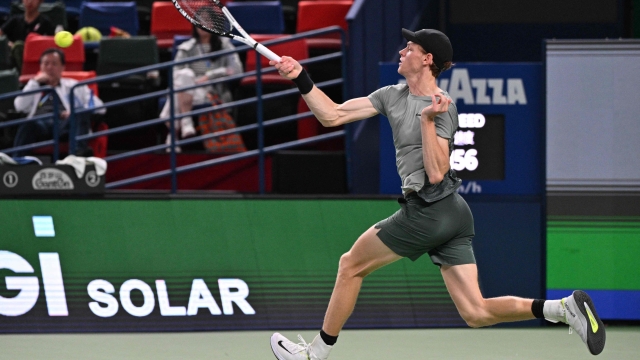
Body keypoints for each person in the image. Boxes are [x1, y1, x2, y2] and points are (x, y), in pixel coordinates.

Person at [268, 28, 606, 359]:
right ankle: (562, 309)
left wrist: (428, 121)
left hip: (429, 210)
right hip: (452, 213)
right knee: (476, 312)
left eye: (409, 48)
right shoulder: (391, 95)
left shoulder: (443, 107)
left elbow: (436, 172)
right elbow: (332, 114)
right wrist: (301, 77)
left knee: (350, 265)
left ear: (427, 59)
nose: (402, 52)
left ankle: (315, 354)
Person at [160, 25, 243, 151]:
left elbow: (237, 70)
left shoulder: (225, 45)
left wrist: (210, 76)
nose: (203, 25)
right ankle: (186, 121)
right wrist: (191, 81)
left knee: (178, 93)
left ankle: (173, 136)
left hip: (212, 91)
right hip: (189, 88)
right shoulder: (187, 47)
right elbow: (175, 74)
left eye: (207, 21)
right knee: (185, 75)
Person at [13, 48, 105, 157]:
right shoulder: (33, 86)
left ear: (63, 67)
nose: (49, 67)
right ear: (40, 67)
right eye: (46, 64)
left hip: (64, 123)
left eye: (54, 64)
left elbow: (100, 107)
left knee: (79, 112)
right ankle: (16, 162)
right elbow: (19, 106)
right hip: (40, 124)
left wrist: (73, 112)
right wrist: (34, 82)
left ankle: (77, 156)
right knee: (28, 123)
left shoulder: (74, 86)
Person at [0, 0, 56, 70]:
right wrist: (8, 44)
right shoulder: (14, 20)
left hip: (36, 58)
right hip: (13, 60)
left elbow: (51, 43)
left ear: (40, 1)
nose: (30, 2)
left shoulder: (45, 22)